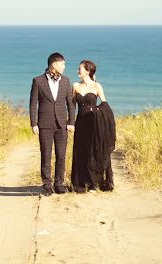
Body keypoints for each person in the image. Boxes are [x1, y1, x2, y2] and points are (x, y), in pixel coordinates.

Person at [29, 52, 75, 195]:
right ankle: (46, 184)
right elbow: (33, 104)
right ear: (54, 65)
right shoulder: (38, 81)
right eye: (63, 64)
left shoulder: (66, 81)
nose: (64, 66)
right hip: (45, 124)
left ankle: (59, 183)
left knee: (61, 155)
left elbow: (71, 104)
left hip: (62, 124)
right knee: (46, 155)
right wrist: (34, 123)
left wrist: (71, 121)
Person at [70, 59, 115, 193]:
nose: (78, 71)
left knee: (93, 151)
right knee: (80, 150)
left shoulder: (97, 86)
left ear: (87, 71)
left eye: (80, 68)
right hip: (80, 122)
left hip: (93, 123)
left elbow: (105, 105)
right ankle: (80, 183)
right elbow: (72, 106)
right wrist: (70, 122)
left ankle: (94, 182)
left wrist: (96, 111)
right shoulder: (75, 86)